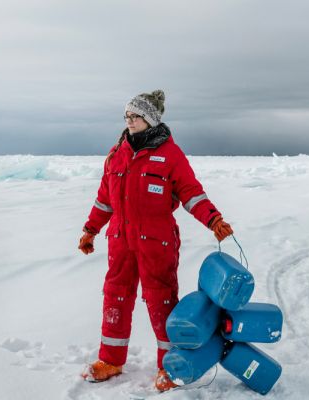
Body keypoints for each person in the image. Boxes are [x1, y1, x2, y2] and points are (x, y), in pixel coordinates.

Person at [78, 90, 233, 392]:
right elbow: (104, 201)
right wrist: (90, 230)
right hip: (121, 242)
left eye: (135, 116)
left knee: (162, 303)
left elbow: (191, 193)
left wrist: (213, 219)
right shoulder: (116, 153)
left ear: (150, 119)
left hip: (157, 244)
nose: (129, 121)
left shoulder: (170, 155)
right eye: (127, 116)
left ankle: (169, 365)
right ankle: (111, 360)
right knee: (115, 298)